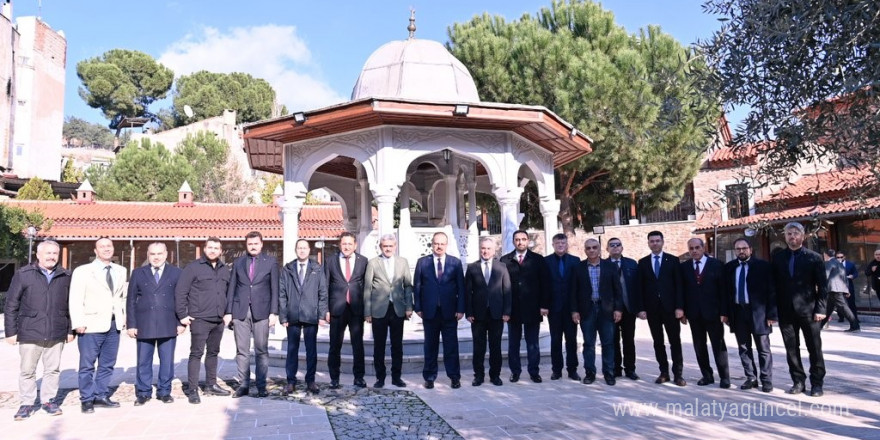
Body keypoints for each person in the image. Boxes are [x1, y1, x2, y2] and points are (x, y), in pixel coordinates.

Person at [4, 240, 73, 420]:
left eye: (54, 253)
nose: (51, 256)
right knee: (27, 370)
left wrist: (70, 329)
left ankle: (49, 400)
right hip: (30, 331)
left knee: (52, 370)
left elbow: (70, 305)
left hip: (56, 331)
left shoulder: (65, 275)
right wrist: (10, 331)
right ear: (38, 255)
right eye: (47, 253)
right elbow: (11, 304)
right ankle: (26, 403)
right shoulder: (24, 274)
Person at [70, 237, 128, 413]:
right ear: (95, 251)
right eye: (102, 247)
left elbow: (121, 297)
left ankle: (101, 394)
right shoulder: (83, 271)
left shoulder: (121, 270)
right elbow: (75, 298)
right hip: (90, 325)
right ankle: (86, 399)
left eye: (109, 246)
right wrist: (78, 322)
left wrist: (123, 316)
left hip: (113, 324)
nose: (106, 249)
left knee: (107, 363)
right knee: (87, 364)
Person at [771, 222, 827, 397]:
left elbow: (823, 286)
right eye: (789, 233)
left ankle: (817, 383)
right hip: (786, 311)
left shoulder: (814, 257)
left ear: (802, 236)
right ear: (785, 236)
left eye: (796, 233)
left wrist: (821, 309)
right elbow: (773, 286)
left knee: (814, 348)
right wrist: (773, 312)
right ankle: (798, 381)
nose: (792, 236)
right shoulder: (778, 258)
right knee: (791, 348)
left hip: (809, 311)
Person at [127, 243, 185, 406]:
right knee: (143, 360)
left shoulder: (176, 273)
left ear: (166, 254)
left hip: (168, 322)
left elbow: (181, 299)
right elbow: (130, 300)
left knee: (167, 360)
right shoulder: (138, 273)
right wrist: (131, 324)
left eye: (160, 253)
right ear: (148, 255)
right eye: (153, 254)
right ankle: (143, 392)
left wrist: (181, 321)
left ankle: (164, 391)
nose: (156, 257)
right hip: (144, 323)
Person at [176, 237, 232, 404]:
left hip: (218, 319)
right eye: (210, 247)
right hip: (199, 318)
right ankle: (192, 389)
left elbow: (228, 293)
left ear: (221, 251)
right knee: (196, 353)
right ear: (205, 249)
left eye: (216, 248)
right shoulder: (193, 268)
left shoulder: (225, 269)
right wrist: (182, 315)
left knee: (213, 352)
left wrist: (228, 313)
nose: (213, 250)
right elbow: (181, 292)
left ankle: (211, 384)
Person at [225, 231, 279, 398]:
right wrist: (228, 312)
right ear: (246, 245)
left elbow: (275, 289)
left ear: (261, 244)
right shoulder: (238, 262)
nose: (253, 246)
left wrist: (274, 312)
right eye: (250, 244)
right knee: (242, 350)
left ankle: (261, 385)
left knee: (261, 350)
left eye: (256, 243)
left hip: (262, 312)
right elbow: (231, 288)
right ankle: (244, 384)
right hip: (240, 311)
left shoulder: (270, 262)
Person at [721, 238, 776, 393]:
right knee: (744, 348)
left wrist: (772, 314)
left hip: (760, 313)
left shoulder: (763, 266)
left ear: (750, 249)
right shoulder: (729, 268)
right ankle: (751, 378)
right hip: (738, 313)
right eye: (738, 249)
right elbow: (725, 292)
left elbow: (772, 291)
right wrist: (725, 313)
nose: (741, 251)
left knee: (763, 348)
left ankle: (766, 380)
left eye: (744, 248)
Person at [413, 232, 465, 389]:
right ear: (432, 244)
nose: (439, 246)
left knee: (451, 346)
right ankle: (429, 377)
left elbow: (461, 288)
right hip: (430, 312)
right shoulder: (422, 262)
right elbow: (417, 287)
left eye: (442, 243)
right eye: (436, 243)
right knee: (430, 346)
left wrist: (460, 308)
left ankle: (454, 377)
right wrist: (418, 307)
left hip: (450, 312)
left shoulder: (455, 263)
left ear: (446, 245)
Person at [500, 230, 550, 383]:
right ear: (514, 241)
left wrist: (544, 305)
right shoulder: (505, 260)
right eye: (517, 239)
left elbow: (545, 284)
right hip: (513, 309)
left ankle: (534, 371)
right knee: (513, 343)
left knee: (532, 342)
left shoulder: (538, 259)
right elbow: (501, 286)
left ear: (528, 241)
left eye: (523, 239)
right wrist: (504, 309)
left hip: (532, 308)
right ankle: (515, 371)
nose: (520, 242)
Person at [636, 231, 686, 386]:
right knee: (658, 342)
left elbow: (679, 285)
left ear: (663, 242)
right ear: (648, 243)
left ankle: (678, 374)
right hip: (652, 310)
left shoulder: (672, 260)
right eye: (652, 241)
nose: (655, 243)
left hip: (670, 309)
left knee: (675, 341)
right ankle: (664, 372)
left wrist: (680, 307)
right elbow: (640, 288)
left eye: (657, 240)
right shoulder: (642, 262)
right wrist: (641, 308)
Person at [363, 234, 413, 389]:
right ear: (381, 247)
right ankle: (380, 377)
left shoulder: (402, 262)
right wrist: (367, 311)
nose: (388, 249)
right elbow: (367, 288)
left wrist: (409, 307)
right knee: (379, 345)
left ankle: (396, 377)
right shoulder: (373, 263)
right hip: (379, 309)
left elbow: (408, 286)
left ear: (395, 246)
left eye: (391, 246)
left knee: (397, 345)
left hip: (397, 308)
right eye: (385, 246)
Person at [571, 238, 623, 385]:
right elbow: (573, 292)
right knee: (588, 343)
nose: (592, 250)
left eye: (594, 247)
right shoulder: (578, 268)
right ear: (585, 250)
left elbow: (617, 290)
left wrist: (618, 309)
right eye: (588, 248)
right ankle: (590, 373)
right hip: (587, 310)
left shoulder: (610, 267)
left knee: (608, 343)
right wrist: (574, 311)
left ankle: (609, 373)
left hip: (606, 310)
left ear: (600, 249)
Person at [680, 238, 730, 389]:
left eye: (697, 247)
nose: (694, 251)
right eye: (691, 248)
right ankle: (706, 375)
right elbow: (681, 291)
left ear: (703, 248)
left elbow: (724, 291)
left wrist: (724, 312)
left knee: (718, 345)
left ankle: (724, 377)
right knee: (699, 346)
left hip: (713, 313)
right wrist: (682, 311)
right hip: (694, 314)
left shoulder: (717, 265)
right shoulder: (684, 267)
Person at [279, 239, 327, 395]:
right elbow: (282, 294)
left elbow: (322, 293)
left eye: (305, 248)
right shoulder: (287, 269)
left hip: (310, 315)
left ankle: (311, 381)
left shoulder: (317, 269)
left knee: (311, 350)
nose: (302, 250)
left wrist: (321, 315)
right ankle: (290, 381)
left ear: (309, 250)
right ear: (295, 250)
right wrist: (283, 316)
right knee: (292, 350)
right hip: (293, 315)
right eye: (299, 247)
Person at [465, 237, 511, 387]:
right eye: (483, 248)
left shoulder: (502, 267)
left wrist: (507, 311)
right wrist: (469, 312)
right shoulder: (472, 267)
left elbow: (507, 291)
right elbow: (467, 292)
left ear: (494, 250)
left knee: (495, 346)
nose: (485, 251)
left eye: (488, 248)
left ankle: (495, 375)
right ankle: (478, 375)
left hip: (497, 314)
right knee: (478, 347)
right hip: (477, 315)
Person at [324, 231, 368, 389]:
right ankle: (334, 378)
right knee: (335, 345)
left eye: (350, 244)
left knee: (358, 345)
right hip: (337, 309)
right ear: (339, 245)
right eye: (344, 244)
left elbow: (367, 286)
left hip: (356, 309)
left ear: (355, 245)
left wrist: (367, 309)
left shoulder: (363, 261)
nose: (347, 247)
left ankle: (359, 377)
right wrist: (325, 310)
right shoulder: (330, 261)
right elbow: (325, 287)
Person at [544, 233, 582, 381]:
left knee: (571, 340)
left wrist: (577, 308)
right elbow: (544, 285)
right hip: (554, 308)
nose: (560, 245)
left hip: (571, 308)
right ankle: (556, 370)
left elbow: (578, 286)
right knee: (555, 340)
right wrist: (544, 305)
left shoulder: (575, 261)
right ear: (553, 245)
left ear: (566, 245)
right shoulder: (546, 261)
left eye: (563, 243)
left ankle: (572, 370)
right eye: (557, 243)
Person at [607, 237, 642, 381]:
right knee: (613, 340)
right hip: (610, 310)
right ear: (607, 248)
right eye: (612, 245)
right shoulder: (603, 264)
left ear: (622, 247)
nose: (615, 247)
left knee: (629, 340)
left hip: (629, 309)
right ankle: (616, 368)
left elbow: (639, 287)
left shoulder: (632, 263)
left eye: (618, 245)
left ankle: (630, 369)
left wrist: (640, 308)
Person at [821, 249, 859, 332]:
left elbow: (825, 275)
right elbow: (844, 277)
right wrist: (846, 289)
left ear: (826, 255)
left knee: (843, 307)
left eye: (824, 255)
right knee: (828, 308)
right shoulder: (839, 263)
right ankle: (819, 326)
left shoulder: (829, 263)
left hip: (833, 289)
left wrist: (818, 284)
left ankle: (855, 325)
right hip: (837, 288)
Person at [834, 251, 859, 323]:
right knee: (839, 303)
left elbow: (855, 273)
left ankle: (855, 318)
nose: (839, 259)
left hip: (848, 285)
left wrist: (852, 276)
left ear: (844, 257)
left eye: (841, 257)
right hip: (838, 286)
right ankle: (841, 317)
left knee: (851, 303)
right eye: (838, 257)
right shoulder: (834, 264)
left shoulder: (850, 264)